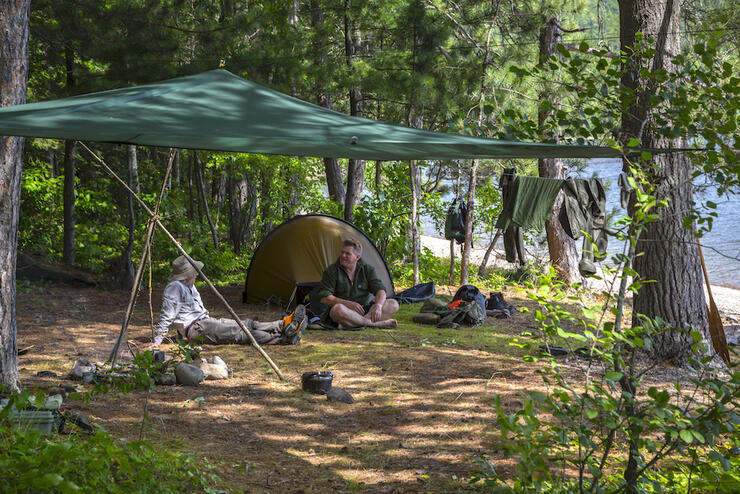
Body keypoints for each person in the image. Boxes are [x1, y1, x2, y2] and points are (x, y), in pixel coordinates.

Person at [142, 255, 307, 349]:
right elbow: (167, 315)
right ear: (186, 274)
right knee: (241, 333)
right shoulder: (174, 287)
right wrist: (157, 341)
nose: (197, 274)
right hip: (196, 329)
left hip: (204, 323)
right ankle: (283, 338)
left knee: (245, 324)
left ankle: (283, 326)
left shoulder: (189, 285)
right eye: (194, 272)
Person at [317, 238, 399, 329]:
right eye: (342, 252)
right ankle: (374, 324)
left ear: (357, 257)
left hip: (364, 311)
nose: (343, 256)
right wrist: (347, 304)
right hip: (343, 312)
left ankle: (351, 324)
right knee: (338, 309)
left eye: (347, 254)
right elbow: (324, 298)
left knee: (393, 303)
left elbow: (380, 290)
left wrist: (378, 306)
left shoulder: (367, 269)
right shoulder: (331, 271)